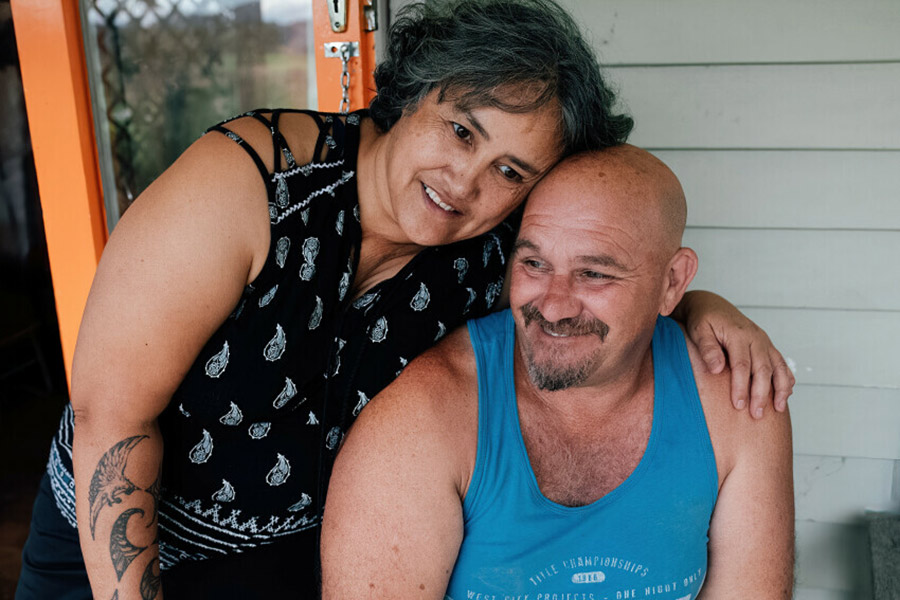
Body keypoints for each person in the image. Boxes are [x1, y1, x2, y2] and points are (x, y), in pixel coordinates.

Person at [16, 1, 793, 598]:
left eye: (512, 171)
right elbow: (112, 415)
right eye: (461, 130)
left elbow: (593, 284)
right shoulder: (253, 182)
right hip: (110, 543)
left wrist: (702, 308)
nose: (469, 182)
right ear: (413, 92)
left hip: (294, 558)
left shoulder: (487, 250)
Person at [321, 146, 795, 599]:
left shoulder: (738, 395)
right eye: (534, 264)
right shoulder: (420, 421)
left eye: (594, 274)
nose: (553, 306)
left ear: (672, 283)